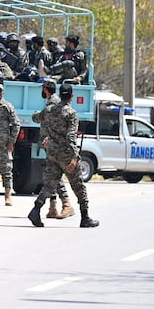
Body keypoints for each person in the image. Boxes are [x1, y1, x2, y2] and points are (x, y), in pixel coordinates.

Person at [28, 84, 99, 228]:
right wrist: (75, 157)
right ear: (71, 96)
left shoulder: (49, 110)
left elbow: (36, 118)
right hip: (66, 155)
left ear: (60, 95)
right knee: (78, 186)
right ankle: (85, 217)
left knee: (49, 184)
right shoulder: (71, 113)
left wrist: (36, 114)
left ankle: (36, 210)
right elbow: (71, 136)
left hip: (52, 154)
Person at [32, 78, 75, 219]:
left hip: (55, 145)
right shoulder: (52, 101)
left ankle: (66, 204)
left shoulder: (54, 103)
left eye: (42, 88)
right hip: (51, 144)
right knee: (52, 174)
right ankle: (53, 207)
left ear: (45, 89)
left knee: (54, 175)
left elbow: (52, 123)